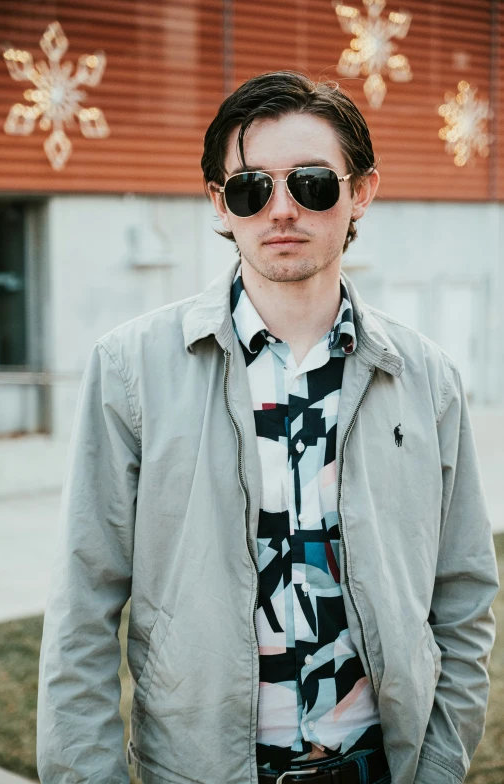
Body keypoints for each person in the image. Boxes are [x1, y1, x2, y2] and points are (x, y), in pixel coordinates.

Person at [37, 71, 499, 784]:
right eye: (252, 188)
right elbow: (82, 607)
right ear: (220, 205)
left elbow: (464, 597)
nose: (281, 209)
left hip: (381, 768)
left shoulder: (428, 378)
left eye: (311, 183)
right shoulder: (132, 367)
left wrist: (437, 766)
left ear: (361, 193)